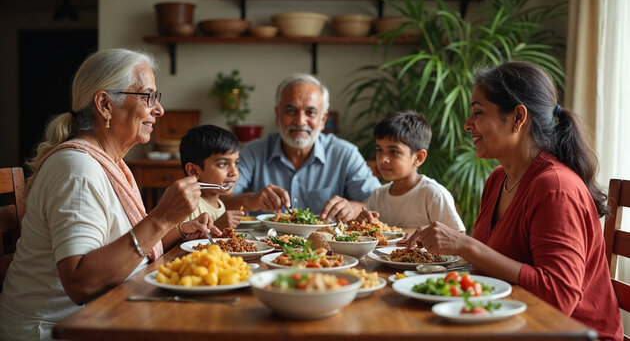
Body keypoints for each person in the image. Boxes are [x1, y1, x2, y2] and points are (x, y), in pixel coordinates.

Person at [0, 49, 220, 341]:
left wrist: (175, 229)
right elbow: (80, 282)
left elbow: (120, 247)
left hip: (105, 314)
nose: (159, 110)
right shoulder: (77, 170)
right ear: (105, 104)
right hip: (58, 329)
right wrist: (161, 217)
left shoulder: (108, 163)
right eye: (148, 97)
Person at [404, 61, 623, 340]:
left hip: (568, 333)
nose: (467, 124)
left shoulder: (555, 187)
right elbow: (490, 267)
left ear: (518, 117)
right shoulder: (498, 179)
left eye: (478, 113)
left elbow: (560, 297)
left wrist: (466, 245)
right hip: (514, 323)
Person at [223, 73, 381, 222]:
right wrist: (251, 200)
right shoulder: (253, 152)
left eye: (310, 112)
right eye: (291, 111)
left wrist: (353, 208)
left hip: (329, 248)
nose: (300, 121)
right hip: (263, 247)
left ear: (323, 119)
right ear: (278, 115)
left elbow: (379, 202)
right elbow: (219, 200)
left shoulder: (345, 154)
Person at [356, 111, 465, 232]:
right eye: (379, 150)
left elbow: (458, 237)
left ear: (418, 158)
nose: (383, 159)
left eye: (394, 152)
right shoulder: (378, 195)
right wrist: (362, 224)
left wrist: (398, 231)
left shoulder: (432, 194)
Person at [179, 125, 244, 230]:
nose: (234, 172)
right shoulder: (189, 206)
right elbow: (177, 245)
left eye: (236, 163)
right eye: (223, 164)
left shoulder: (219, 204)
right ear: (194, 171)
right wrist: (216, 226)